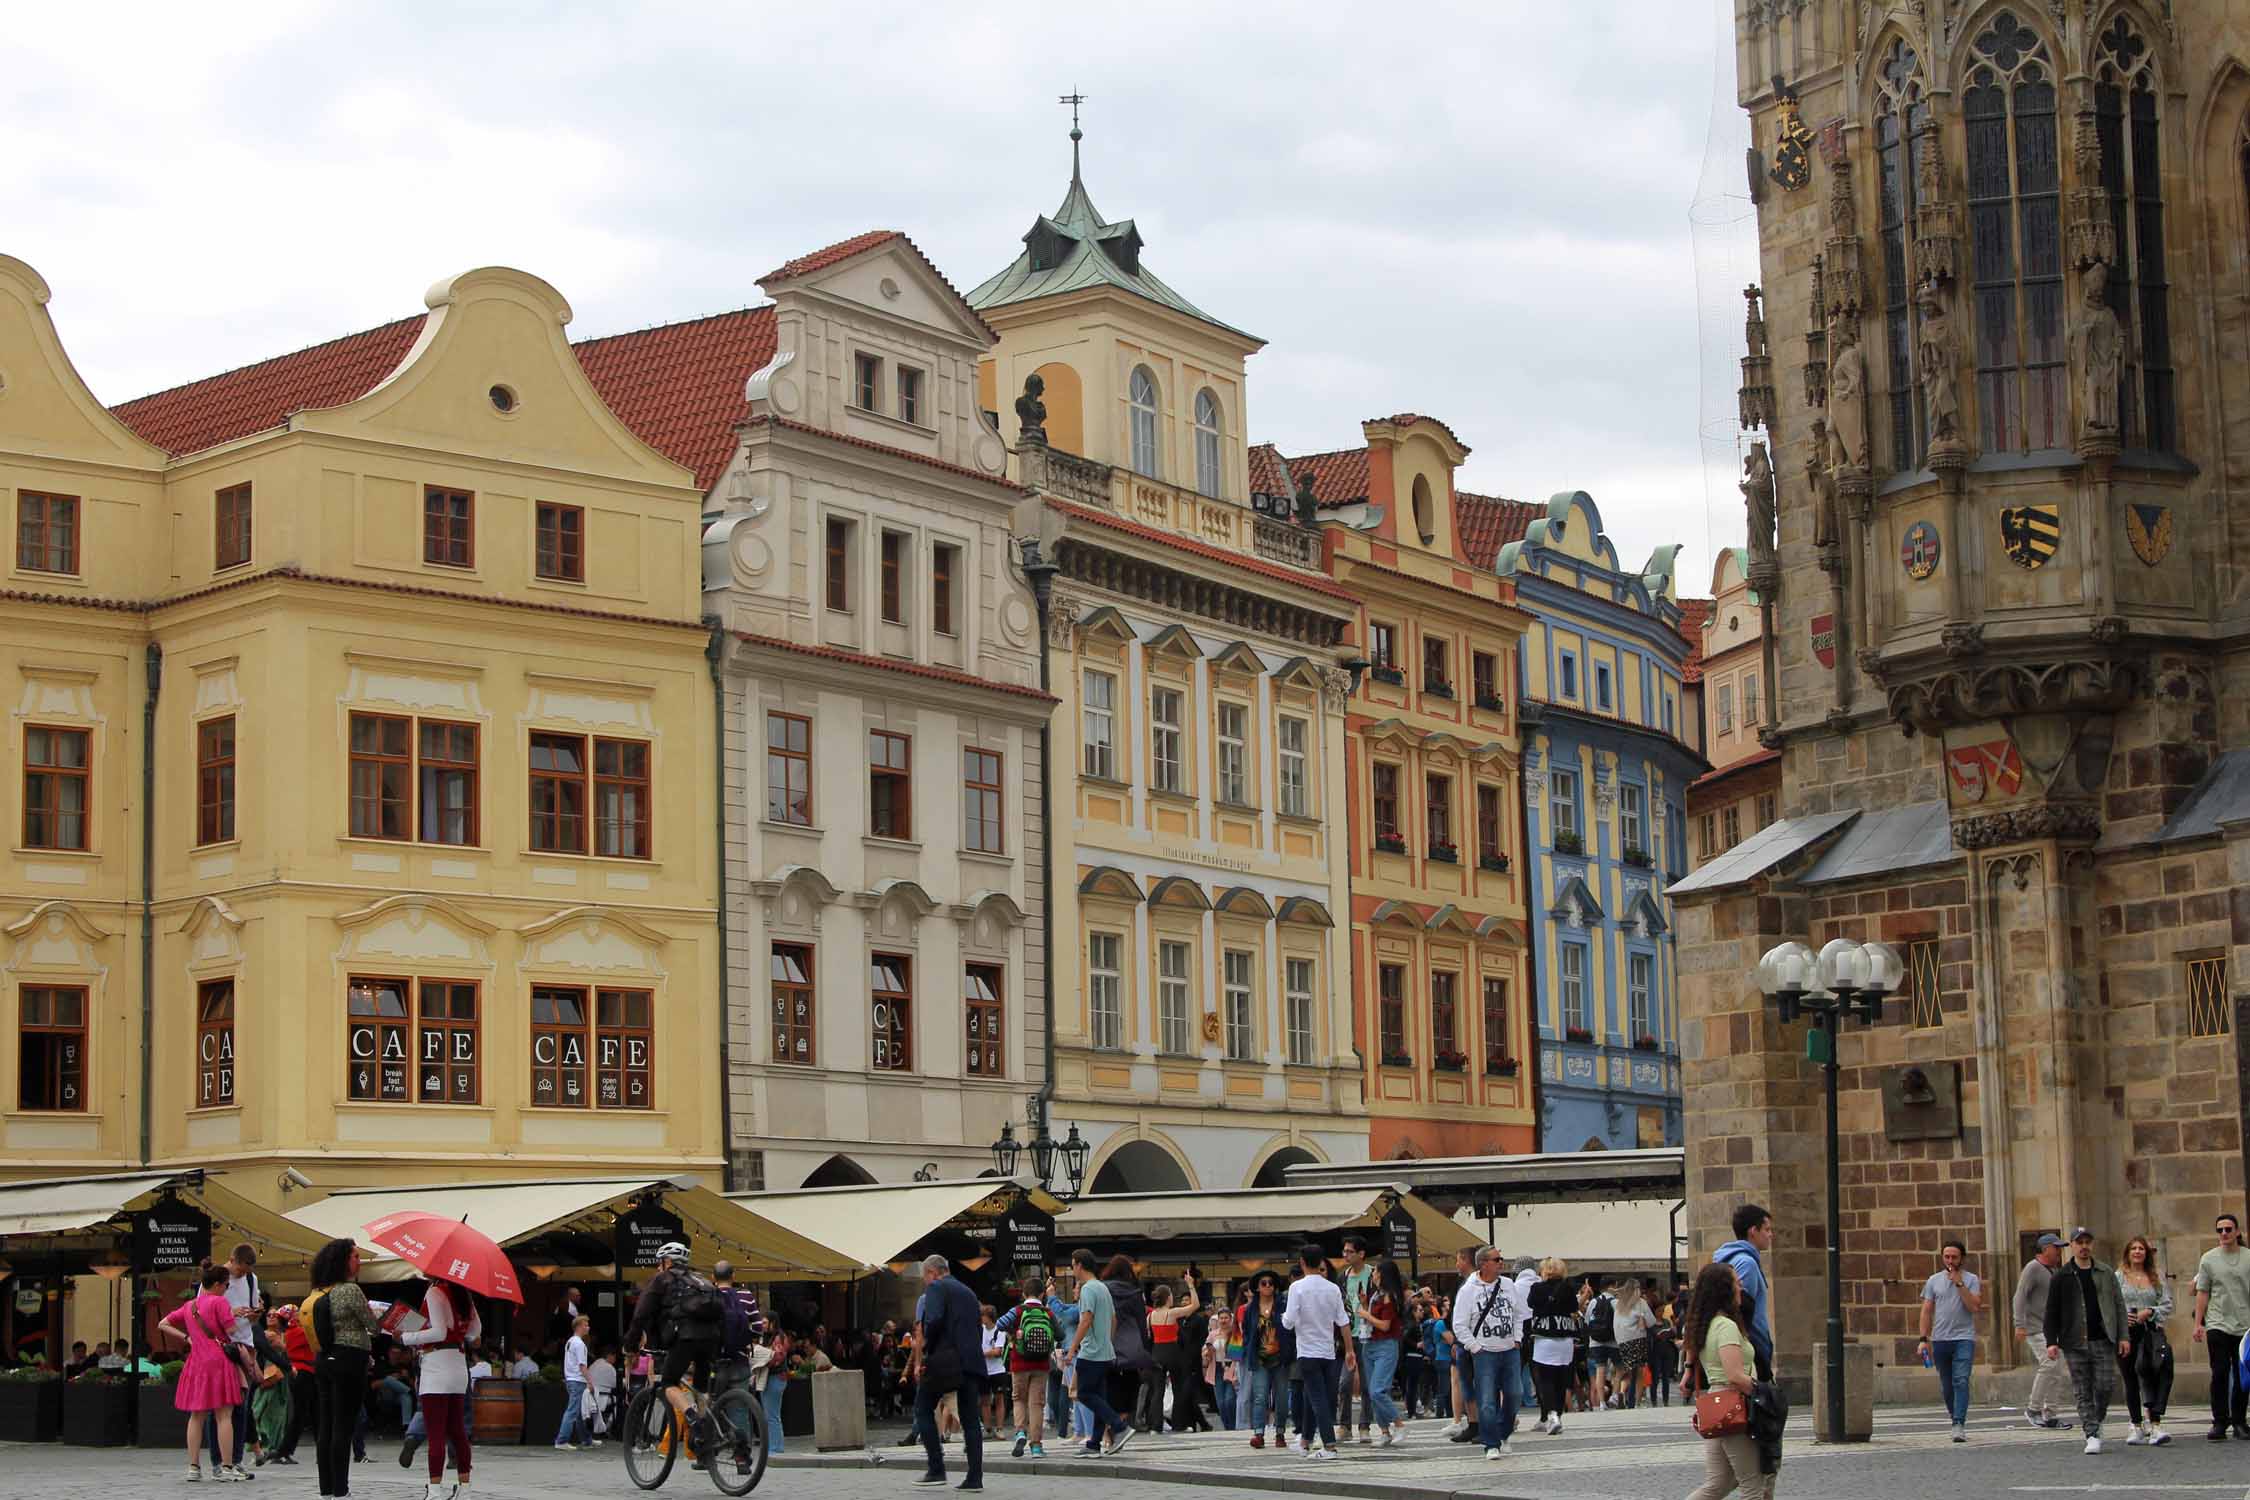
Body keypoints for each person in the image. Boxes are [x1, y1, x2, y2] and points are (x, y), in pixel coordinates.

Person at [625, 1241, 731, 1460]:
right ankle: (704, 1439)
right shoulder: (702, 1280)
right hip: (711, 1339)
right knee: (700, 1388)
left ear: (668, 1261)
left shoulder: (662, 1279)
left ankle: (693, 1418)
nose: (658, 1267)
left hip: (685, 1339)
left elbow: (640, 1315)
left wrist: (630, 1344)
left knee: (669, 1384)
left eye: (659, 1262)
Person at [1682, 1260, 1772, 1500]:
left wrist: (1687, 1369)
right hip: (1734, 1405)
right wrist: (1765, 1392)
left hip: (1716, 1404)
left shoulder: (1706, 1324)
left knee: (1718, 1484)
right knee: (1753, 1484)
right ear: (1724, 1290)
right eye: (1736, 1283)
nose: (1740, 1288)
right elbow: (1734, 1375)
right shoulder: (1725, 1326)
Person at [160, 1263, 253, 1484]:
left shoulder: (190, 1305)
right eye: (227, 1285)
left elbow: (162, 1323)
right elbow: (231, 1331)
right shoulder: (220, 1302)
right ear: (219, 1284)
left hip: (196, 1363)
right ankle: (227, 1468)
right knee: (223, 1416)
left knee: (196, 1416)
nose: (227, 1289)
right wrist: (239, 1316)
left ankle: (193, 1467)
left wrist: (187, 1338)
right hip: (219, 1362)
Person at [2044, 1226, 2130, 1455]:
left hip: (2103, 1337)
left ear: (2092, 1245)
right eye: (2079, 1242)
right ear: (2072, 1245)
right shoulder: (2061, 1276)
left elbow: (2118, 1305)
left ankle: (2097, 1419)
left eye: (2087, 1242)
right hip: (2074, 1340)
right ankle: (2091, 1433)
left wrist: (2123, 1335)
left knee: (2105, 1385)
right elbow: (2051, 1311)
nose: (2083, 1246)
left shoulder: (2105, 1272)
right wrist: (2051, 1341)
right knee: (2082, 1389)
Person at [302, 1236, 377, 1499]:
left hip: (323, 1360)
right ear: (344, 1261)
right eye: (355, 1256)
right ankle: (340, 1489)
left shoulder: (320, 1292)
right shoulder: (350, 1290)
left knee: (326, 1425)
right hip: (349, 1360)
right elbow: (373, 1324)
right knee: (343, 1425)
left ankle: (326, 1488)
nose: (359, 1261)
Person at [401, 1278, 482, 1500]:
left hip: (436, 1365)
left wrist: (408, 1337)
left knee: (436, 1432)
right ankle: (464, 1488)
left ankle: (435, 1490)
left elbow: (438, 1332)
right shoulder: (463, 1294)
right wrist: (461, 1334)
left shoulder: (435, 1291)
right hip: (458, 1364)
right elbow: (476, 1331)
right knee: (458, 1431)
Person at [913, 1253, 986, 1491]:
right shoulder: (969, 1292)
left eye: (925, 1277)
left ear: (932, 1273)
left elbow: (933, 1321)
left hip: (945, 1360)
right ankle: (974, 1478)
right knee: (970, 1420)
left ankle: (936, 1469)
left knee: (922, 1408)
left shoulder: (936, 1288)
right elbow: (977, 1326)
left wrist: (927, 1351)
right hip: (972, 1361)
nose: (926, 1282)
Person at [1452, 1245, 1526, 1461]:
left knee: (1515, 1394)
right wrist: (1475, 1347)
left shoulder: (1509, 1285)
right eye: (1497, 1259)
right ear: (1484, 1263)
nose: (1501, 1263)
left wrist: (1518, 1339)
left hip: (1509, 1349)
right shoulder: (1468, 1290)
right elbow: (1459, 1324)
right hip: (1484, 1352)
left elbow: (1519, 1314)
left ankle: (1502, 1433)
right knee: (1486, 1400)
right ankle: (1490, 1443)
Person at [1061, 1248, 1134, 1457]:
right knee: (1099, 1396)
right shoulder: (1103, 1288)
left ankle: (1120, 1427)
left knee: (1084, 1393)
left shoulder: (1087, 1289)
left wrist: (1072, 1348)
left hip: (1091, 1352)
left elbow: (1086, 1319)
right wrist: (1107, 1342)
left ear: (1080, 1265)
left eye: (1073, 1265)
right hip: (1105, 1352)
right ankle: (1094, 1443)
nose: (1072, 1269)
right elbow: (1113, 1320)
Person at [1281, 1242, 1349, 1460]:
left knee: (1317, 1398)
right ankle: (1305, 1441)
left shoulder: (1296, 1288)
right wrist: (1350, 1350)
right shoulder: (1333, 1288)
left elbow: (1289, 1322)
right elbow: (1343, 1321)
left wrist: (1282, 1317)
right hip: (1328, 1352)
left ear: (1302, 1263)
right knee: (1314, 1396)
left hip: (1307, 1351)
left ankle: (1329, 1446)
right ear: (1321, 1262)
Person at [1915, 1238, 1983, 1442]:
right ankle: (1955, 1417)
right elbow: (1926, 1311)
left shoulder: (1971, 1279)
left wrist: (1959, 1283)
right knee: (1947, 1384)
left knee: (1961, 1379)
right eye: (1947, 1256)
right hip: (1940, 1339)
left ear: (1962, 1258)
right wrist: (1923, 1339)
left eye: (1954, 1257)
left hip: (1964, 1338)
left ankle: (1959, 1423)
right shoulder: (1933, 1280)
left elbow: (1974, 1306)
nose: (1950, 1260)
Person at [2193, 1210, 2250, 1440]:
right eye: (2220, 1230)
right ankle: (2219, 1421)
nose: (2224, 1233)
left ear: (2237, 1232)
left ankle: (2239, 1421)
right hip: (2218, 1323)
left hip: (2245, 1325)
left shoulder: (2248, 1256)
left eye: (2228, 1229)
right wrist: (2198, 1323)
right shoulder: (2208, 1259)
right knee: (2219, 1372)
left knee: (2242, 1373)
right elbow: (2202, 1292)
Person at [2118, 1234, 2175, 1445]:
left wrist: (2150, 1311)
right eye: (2133, 1248)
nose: (2137, 1252)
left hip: (2151, 1332)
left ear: (2147, 1253)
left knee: (2153, 1375)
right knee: (2130, 1378)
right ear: (2128, 1253)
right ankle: (2136, 1425)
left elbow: (2167, 1304)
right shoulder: (2119, 1277)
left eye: (2141, 1248)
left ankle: (2156, 1425)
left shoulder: (2156, 1277)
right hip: (2126, 1333)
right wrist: (2125, 1315)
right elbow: (2110, 1304)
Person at [2014, 1232, 2073, 1430]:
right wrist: (2019, 1324)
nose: (2059, 1252)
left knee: (2056, 1371)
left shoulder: (2053, 1271)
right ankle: (2033, 1408)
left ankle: (2051, 1414)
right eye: (2056, 1248)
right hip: (2035, 1327)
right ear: (2045, 1248)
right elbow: (2020, 1296)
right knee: (2049, 1364)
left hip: (2051, 1330)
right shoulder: (2033, 1268)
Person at [1713, 1205, 1776, 1382]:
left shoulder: (1735, 1259)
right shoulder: (1746, 1263)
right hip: (1752, 1350)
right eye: (1767, 1229)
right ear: (1753, 1231)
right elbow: (1741, 1309)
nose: (1770, 1235)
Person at [1236, 1268, 1292, 1448]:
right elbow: (1246, 1332)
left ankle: (1280, 1432)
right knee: (1259, 1396)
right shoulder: (1250, 1309)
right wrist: (1247, 1350)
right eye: (1264, 1283)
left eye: (1271, 1283)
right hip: (1259, 1359)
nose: (1268, 1286)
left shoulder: (1282, 1304)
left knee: (1281, 1397)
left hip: (1280, 1358)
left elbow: (1290, 1328)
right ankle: (1258, 1434)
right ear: (1257, 1287)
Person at [1003, 1276, 1056, 1458]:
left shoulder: (1017, 1310)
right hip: (1041, 1364)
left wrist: (1014, 1333)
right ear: (1042, 1294)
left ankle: (1020, 1432)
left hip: (1019, 1363)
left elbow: (1001, 1323)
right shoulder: (1048, 1313)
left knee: (1018, 1399)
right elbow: (1061, 1334)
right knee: (1037, 1404)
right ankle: (1036, 1447)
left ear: (1024, 1293)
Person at [1525, 1258, 1579, 1434]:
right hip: (1565, 1339)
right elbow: (1574, 1306)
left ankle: (1552, 1414)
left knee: (1545, 1379)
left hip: (1545, 1338)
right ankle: (1558, 1416)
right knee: (1561, 1380)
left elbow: (1530, 1304)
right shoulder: (1568, 1287)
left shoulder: (1537, 1288)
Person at [1358, 1257, 1409, 1445]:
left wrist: (1365, 1314)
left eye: (1375, 1271)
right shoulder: (1376, 1295)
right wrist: (1365, 1306)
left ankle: (1399, 1424)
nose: (1373, 1274)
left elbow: (1385, 1325)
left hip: (1385, 1345)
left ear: (1383, 1274)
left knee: (1377, 1390)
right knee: (1376, 1392)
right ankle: (1385, 1431)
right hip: (1369, 1344)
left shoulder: (1389, 1297)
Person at [1149, 1278, 1206, 1431]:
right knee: (1178, 1388)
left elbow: (1149, 1336)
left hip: (1156, 1352)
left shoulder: (1150, 1315)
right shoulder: (1171, 1313)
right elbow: (1195, 1305)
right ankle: (1179, 1424)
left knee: (1157, 1391)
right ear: (1168, 1297)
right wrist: (1191, 1286)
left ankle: (1155, 1426)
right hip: (1172, 1351)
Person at [1336, 1234, 1373, 1442]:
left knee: (1367, 1383)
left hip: (1368, 1334)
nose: (1345, 1255)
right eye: (1345, 1251)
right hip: (1348, 1334)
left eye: (1350, 1251)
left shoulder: (1373, 1275)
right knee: (1345, 1382)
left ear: (1361, 1253)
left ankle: (1365, 1425)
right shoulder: (1343, 1277)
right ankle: (1344, 1424)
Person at [1609, 1279, 1656, 1410]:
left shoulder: (1618, 1304)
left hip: (1621, 1341)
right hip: (1637, 1339)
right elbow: (1651, 1322)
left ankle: (1617, 1394)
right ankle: (1637, 1402)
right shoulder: (1641, 1303)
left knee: (1623, 1370)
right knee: (1639, 1372)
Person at [554, 1316, 595, 1451]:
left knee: (578, 1413)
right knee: (573, 1411)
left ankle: (586, 1440)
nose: (588, 1327)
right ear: (578, 1327)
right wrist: (590, 1381)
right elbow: (582, 1366)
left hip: (571, 1379)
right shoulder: (579, 1344)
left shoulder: (570, 1342)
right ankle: (562, 1440)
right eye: (585, 1325)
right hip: (578, 1380)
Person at [1203, 1306, 1238, 1430]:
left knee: (1229, 1400)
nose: (1223, 1320)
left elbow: (1239, 1351)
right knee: (1221, 1403)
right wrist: (1208, 1352)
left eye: (1226, 1318)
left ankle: (1233, 1426)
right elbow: (1205, 1350)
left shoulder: (1235, 1334)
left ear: (1230, 1319)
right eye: (1221, 1318)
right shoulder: (1213, 1334)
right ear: (1218, 1320)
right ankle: (1227, 1427)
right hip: (1216, 1369)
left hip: (1231, 1367)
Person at [1584, 1278, 1616, 1409]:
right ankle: (1614, 1395)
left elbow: (1587, 1321)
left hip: (1595, 1342)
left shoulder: (1593, 1301)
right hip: (1613, 1341)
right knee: (1619, 1368)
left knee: (1600, 1370)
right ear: (1611, 1286)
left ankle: (1601, 1402)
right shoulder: (1615, 1301)